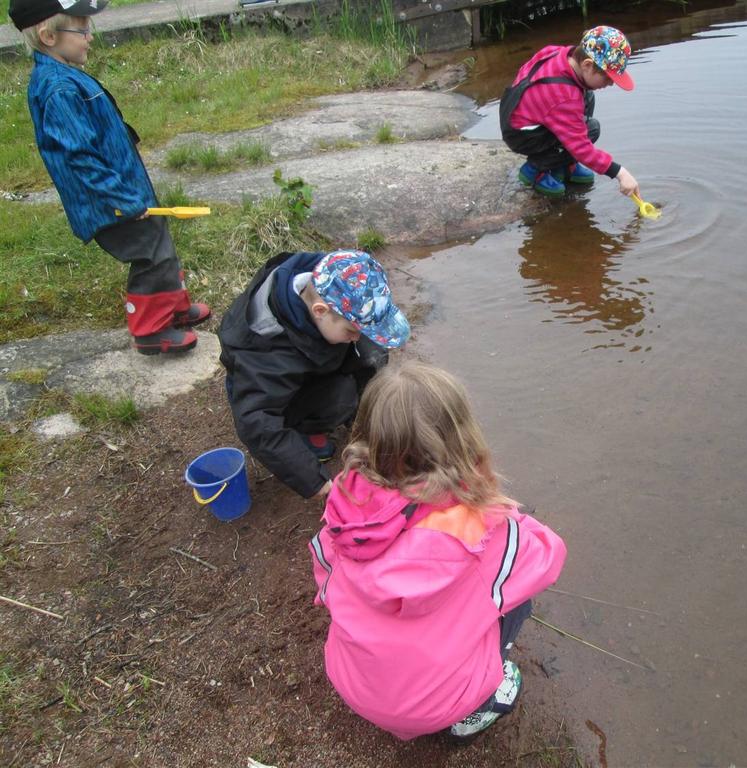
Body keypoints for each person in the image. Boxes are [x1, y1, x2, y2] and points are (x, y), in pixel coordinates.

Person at [309, 361, 566, 740]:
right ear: (463, 444)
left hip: (352, 683)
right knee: (514, 597)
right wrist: (508, 515)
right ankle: (473, 712)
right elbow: (548, 555)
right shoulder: (480, 531)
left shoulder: (344, 516)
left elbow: (326, 584)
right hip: (433, 707)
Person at [11, 0, 209, 355]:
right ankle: (150, 330)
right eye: (83, 28)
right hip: (107, 201)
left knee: (160, 240)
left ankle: (174, 308)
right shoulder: (58, 89)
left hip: (124, 189)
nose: (90, 36)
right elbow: (80, 157)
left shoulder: (64, 75)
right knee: (149, 254)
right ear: (48, 35)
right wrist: (123, 198)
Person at [218, 249, 410, 500]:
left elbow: (357, 339)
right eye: (352, 330)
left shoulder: (332, 277)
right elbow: (258, 424)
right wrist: (319, 483)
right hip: (276, 394)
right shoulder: (264, 348)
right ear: (320, 311)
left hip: (314, 358)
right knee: (341, 398)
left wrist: (375, 424)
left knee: (372, 352)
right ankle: (304, 429)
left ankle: (365, 421)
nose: (356, 335)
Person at [500, 24, 640, 200]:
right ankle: (534, 170)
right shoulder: (564, 97)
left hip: (515, 111)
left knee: (587, 95)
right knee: (591, 129)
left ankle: (566, 164)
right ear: (587, 65)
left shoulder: (560, 52)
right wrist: (620, 172)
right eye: (608, 77)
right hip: (523, 135)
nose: (611, 83)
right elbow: (581, 147)